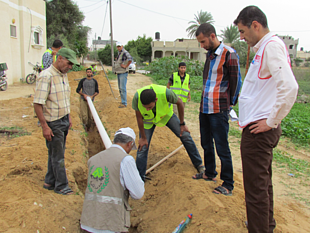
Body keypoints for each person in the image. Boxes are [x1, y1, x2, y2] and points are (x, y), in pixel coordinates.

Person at [234, 6, 298, 232]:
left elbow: (289, 88)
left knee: (255, 189)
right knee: (262, 184)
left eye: (242, 31)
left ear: (255, 25)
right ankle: (266, 226)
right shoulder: (265, 47)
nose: (241, 37)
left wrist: (271, 121)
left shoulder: (271, 47)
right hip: (258, 127)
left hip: (259, 131)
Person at [193, 23, 242, 196]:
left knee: (222, 147)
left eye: (203, 41)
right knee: (206, 143)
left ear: (212, 36)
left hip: (219, 109)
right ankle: (210, 173)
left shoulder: (229, 54)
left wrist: (230, 105)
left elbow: (236, 84)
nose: (202, 45)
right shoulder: (209, 55)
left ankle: (228, 183)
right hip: (205, 107)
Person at [132, 84, 205, 181]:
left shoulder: (165, 93)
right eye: (145, 107)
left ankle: (199, 164)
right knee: (143, 146)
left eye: (149, 107)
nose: (147, 109)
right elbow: (139, 117)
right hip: (148, 120)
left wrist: (182, 123)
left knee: (185, 135)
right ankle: (139, 178)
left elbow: (179, 102)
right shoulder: (137, 97)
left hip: (165, 115)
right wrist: (143, 138)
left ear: (156, 100)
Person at [80, 127, 145, 233]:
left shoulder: (93, 159)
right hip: (110, 224)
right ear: (129, 144)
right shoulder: (125, 160)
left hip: (88, 223)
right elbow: (138, 193)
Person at [33, 48, 79, 195]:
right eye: (69, 63)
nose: (70, 67)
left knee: (55, 153)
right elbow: (37, 103)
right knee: (58, 155)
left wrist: (69, 116)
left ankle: (49, 181)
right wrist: (45, 126)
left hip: (64, 119)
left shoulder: (63, 75)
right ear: (59, 58)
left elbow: (64, 98)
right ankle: (61, 186)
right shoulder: (46, 76)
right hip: (53, 122)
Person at [115, 42, 132, 108]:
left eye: (119, 46)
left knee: (122, 88)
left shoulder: (125, 52)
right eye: (117, 46)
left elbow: (130, 59)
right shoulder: (119, 53)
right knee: (120, 88)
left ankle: (124, 103)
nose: (118, 48)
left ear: (122, 46)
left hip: (123, 72)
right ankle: (123, 101)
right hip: (119, 72)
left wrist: (126, 66)